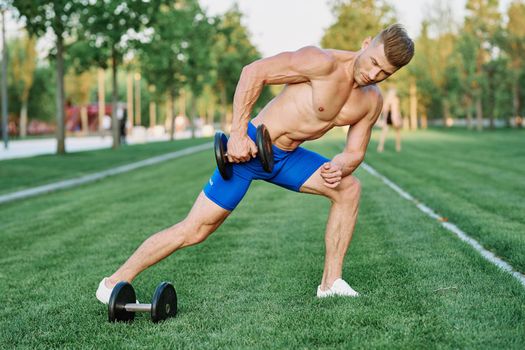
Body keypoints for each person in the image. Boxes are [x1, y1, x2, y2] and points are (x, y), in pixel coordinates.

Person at [96, 24, 414, 302]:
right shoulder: (320, 62)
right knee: (194, 231)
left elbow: (356, 150)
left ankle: (330, 283)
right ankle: (113, 282)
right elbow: (254, 72)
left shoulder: (371, 100)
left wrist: (342, 164)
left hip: (287, 158)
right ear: (366, 43)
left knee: (349, 188)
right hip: (249, 150)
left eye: (385, 72)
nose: (374, 74)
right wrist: (237, 134)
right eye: (374, 62)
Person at [377, 87, 402, 152]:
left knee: (397, 132)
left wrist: (398, 117)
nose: (393, 93)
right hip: (388, 116)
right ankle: (380, 146)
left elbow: (397, 110)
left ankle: (398, 146)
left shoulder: (396, 99)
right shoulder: (387, 100)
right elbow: (384, 109)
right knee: (384, 132)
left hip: (394, 117)